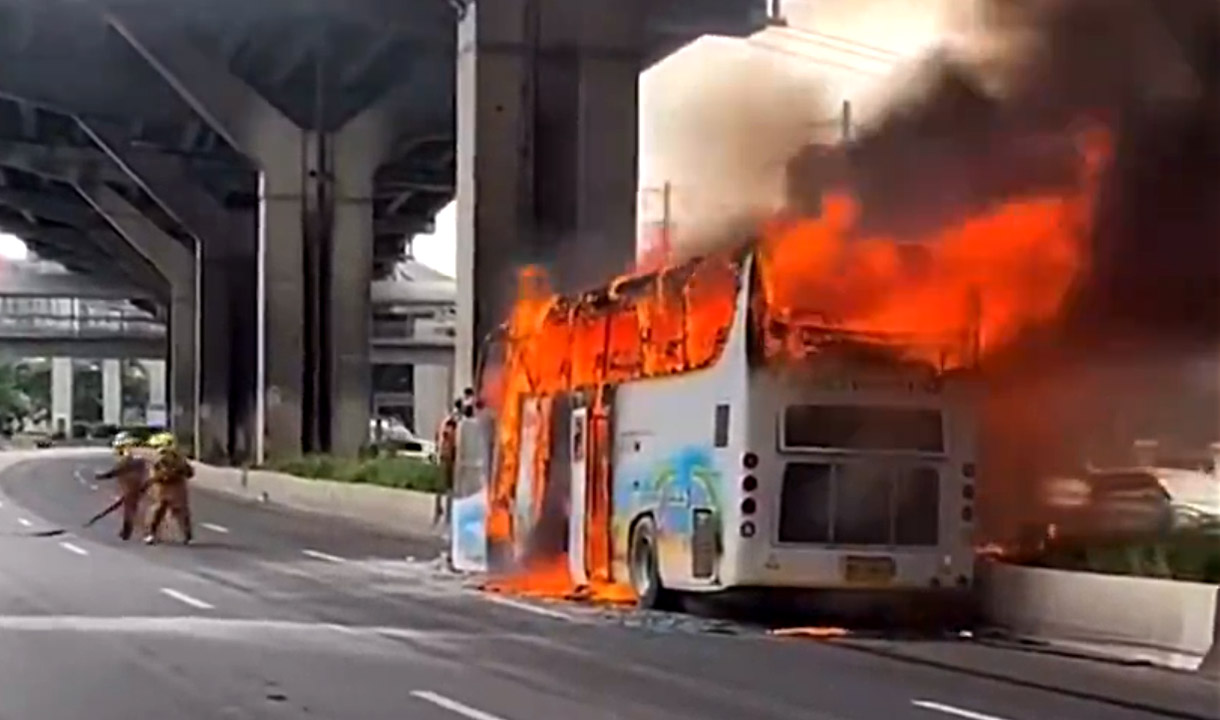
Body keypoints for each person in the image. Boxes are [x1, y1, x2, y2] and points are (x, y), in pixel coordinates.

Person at [91, 434, 149, 540]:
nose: (117, 451)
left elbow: (118, 469)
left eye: (118, 448)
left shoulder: (129, 457)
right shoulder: (136, 457)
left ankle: (134, 532)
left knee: (131, 510)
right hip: (136, 486)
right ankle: (127, 531)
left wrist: (102, 476)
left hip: (133, 486)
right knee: (132, 509)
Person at [143, 431, 194, 545]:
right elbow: (155, 476)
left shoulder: (179, 460)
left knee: (181, 512)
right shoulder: (159, 461)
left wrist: (178, 470)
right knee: (158, 511)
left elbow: (189, 472)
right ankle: (151, 533)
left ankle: (187, 535)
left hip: (177, 490)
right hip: (162, 490)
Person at [435, 399, 462, 525]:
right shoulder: (453, 423)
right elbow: (451, 439)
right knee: (449, 488)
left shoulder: (447, 421)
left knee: (443, 487)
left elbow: (438, 437)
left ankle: (440, 509)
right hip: (449, 457)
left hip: (444, 456)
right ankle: (445, 512)